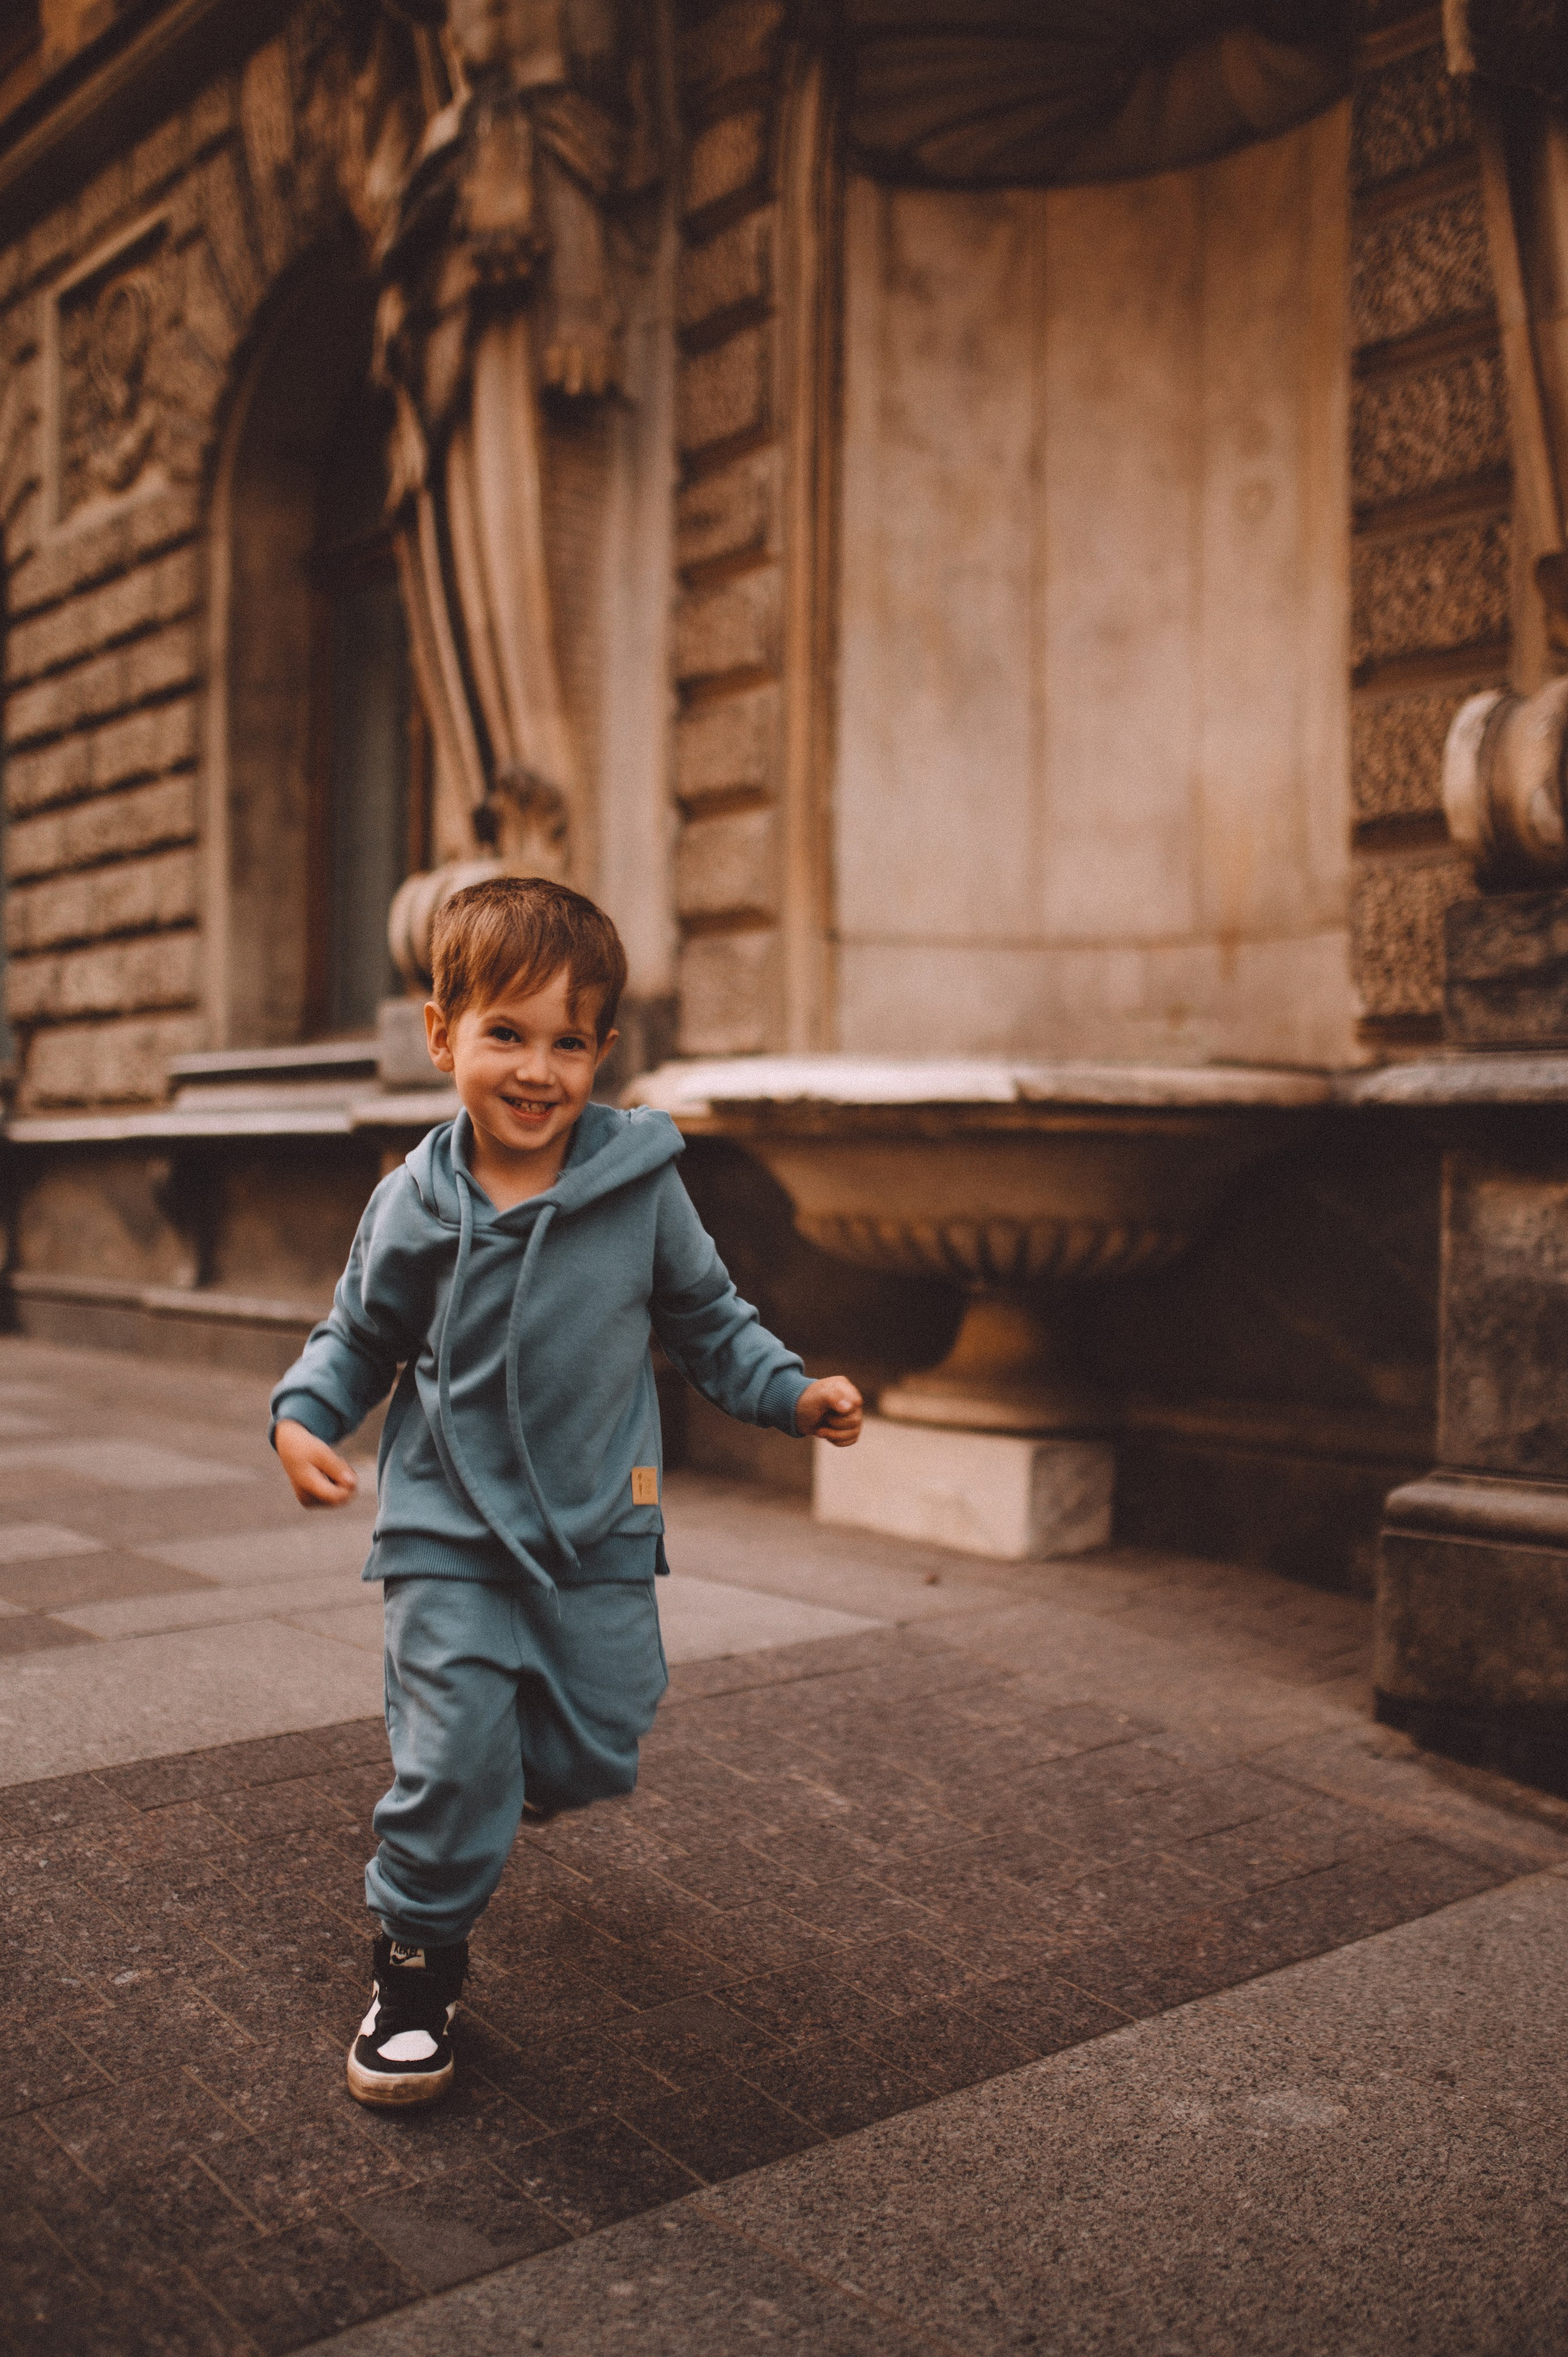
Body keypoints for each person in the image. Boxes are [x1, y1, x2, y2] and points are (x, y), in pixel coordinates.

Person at [270, 876, 863, 2107]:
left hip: (598, 1527)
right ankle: (416, 1972)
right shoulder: (412, 1204)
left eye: (568, 1042)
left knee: (599, 1742)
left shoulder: (639, 1188)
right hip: (446, 1533)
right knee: (450, 1764)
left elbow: (709, 1321)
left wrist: (790, 1392)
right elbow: (356, 1336)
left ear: (600, 1050)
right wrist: (304, 1414)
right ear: (443, 1036)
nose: (536, 1070)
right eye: (505, 1033)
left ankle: (525, 1763)